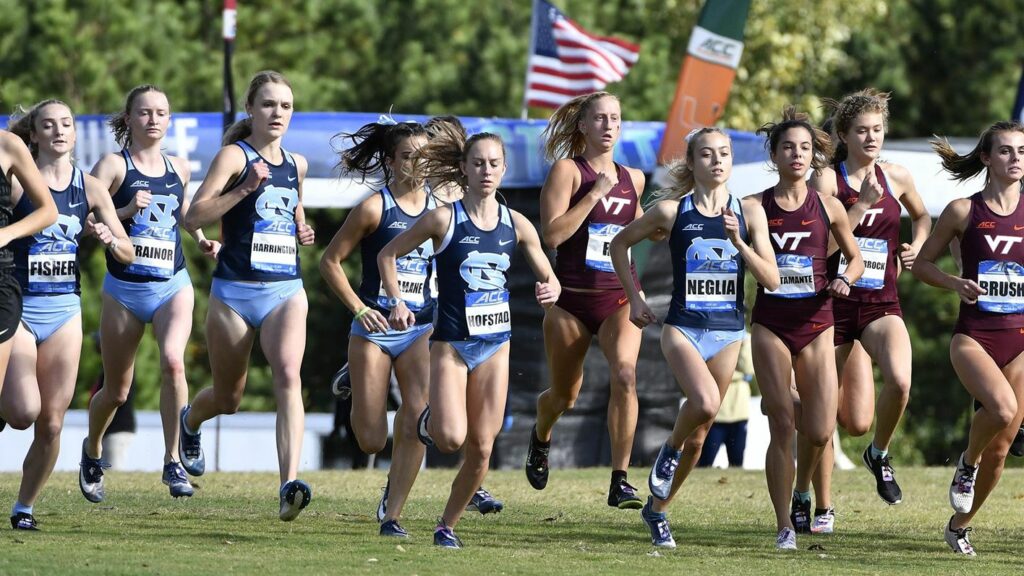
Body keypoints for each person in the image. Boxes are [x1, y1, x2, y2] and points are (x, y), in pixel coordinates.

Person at [378, 126, 559, 548]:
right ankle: (429, 420)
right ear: (463, 168)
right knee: (451, 438)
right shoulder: (444, 218)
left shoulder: (516, 224)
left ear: (504, 170)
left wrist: (550, 288)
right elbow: (389, 254)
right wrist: (397, 301)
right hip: (452, 345)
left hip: (497, 344)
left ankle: (447, 526)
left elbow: (549, 276)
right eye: (478, 163)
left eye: (494, 164)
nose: (486, 171)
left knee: (481, 447)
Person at [609, 127, 779, 548]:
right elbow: (618, 244)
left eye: (724, 153)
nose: (718, 160)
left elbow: (772, 279)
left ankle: (657, 511)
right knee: (703, 404)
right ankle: (668, 449)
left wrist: (738, 239)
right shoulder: (671, 211)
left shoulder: (750, 212)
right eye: (707, 154)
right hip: (682, 328)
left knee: (701, 436)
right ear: (692, 163)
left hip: (727, 332)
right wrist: (633, 297)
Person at [180, 70, 316, 521]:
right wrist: (244, 188)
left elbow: (292, 206)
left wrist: (301, 225)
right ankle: (190, 421)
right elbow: (194, 215)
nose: (278, 113)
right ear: (251, 110)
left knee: (288, 376)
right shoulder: (233, 157)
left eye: (286, 106)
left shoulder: (297, 164)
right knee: (228, 398)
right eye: (269, 105)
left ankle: (287, 485)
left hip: (284, 289)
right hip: (234, 292)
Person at [796, 89, 931, 534]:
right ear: (843, 135)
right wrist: (863, 205)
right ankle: (819, 503)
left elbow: (922, 216)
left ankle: (879, 453)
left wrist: (916, 246)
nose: (871, 138)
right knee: (824, 419)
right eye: (862, 131)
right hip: (830, 308)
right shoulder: (827, 183)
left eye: (877, 130)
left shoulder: (899, 175)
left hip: (880, 303)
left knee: (899, 383)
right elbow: (824, 247)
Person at [80, 85, 218, 503]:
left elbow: (182, 211)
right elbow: (85, 217)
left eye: (161, 113)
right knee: (117, 391)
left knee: (175, 363)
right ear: (129, 119)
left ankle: (172, 461)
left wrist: (200, 237)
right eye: (144, 113)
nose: (153, 119)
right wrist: (122, 212)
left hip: (171, 284)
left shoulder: (179, 166)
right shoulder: (112, 166)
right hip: (124, 288)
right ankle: (92, 450)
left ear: (169, 120)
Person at [526, 92, 647, 508]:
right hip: (571, 302)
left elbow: (628, 241)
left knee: (626, 376)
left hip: (619, 299)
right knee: (565, 396)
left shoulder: (635, 178)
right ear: (583, 126)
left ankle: (620, 479)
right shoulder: (568, 171)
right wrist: (595, 194)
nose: (608, 125)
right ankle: (542, 433)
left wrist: (652, 237)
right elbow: (552, 236)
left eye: (615, 118)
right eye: (599, 118)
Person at [750, 106, 863, 550]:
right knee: (781, 423)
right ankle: (783, 526)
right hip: (772, 324)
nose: (797, 155)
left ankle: (803, 493)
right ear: (774, 155)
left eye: (805, 148)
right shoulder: (756, 206)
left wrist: (844, 278)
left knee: (819, 430)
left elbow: (853, 257)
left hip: (817, 323)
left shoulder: (829, 205)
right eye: (787, 148)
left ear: (814, 155)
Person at [912, 121, 1024, 556]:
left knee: (1001, 450)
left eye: (1021, 152)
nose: (1016, 159)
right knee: (1001, 408)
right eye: (1006, 151)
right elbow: (921, 265)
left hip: (1020, 340)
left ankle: (959, 527)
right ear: (986, 158)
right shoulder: (963, 210)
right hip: (975, 337)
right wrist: (955, 283)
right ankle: (966, 464)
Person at [321, 117, 433, 537]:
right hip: (374, 326)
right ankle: (356, 375)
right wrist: (357, 309)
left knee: (416, 417)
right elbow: (329, 263)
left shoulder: (440, 208)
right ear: (390, 161)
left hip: (421, 326)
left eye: (422, 157)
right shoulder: (374, 208)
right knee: (370, 439)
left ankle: (394, 514)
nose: (416, 165)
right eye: (407, 157)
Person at [2, 101, 105, 530]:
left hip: (65, 309)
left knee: (53, 420)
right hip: (20, 304)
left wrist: (109, 235)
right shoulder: (18, 176)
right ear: (35, 134)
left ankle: (24, 507)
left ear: (76, 133)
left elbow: (125, 245)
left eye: (66, 124)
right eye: (49, 124)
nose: (59, 131)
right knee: (23, 410)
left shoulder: (90, 186)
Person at [0, 127, 56, 401]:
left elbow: (48, 210)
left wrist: (7, 233)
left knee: (25, 412)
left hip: (0, 281)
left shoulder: (8, 145)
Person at [697, 335, 753, 468]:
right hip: (716, 415)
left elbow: (748, 368)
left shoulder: (747, 339)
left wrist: (744, 343)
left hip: (739, 413)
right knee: (705, 461)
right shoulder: (712, 335)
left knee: (737, 462)